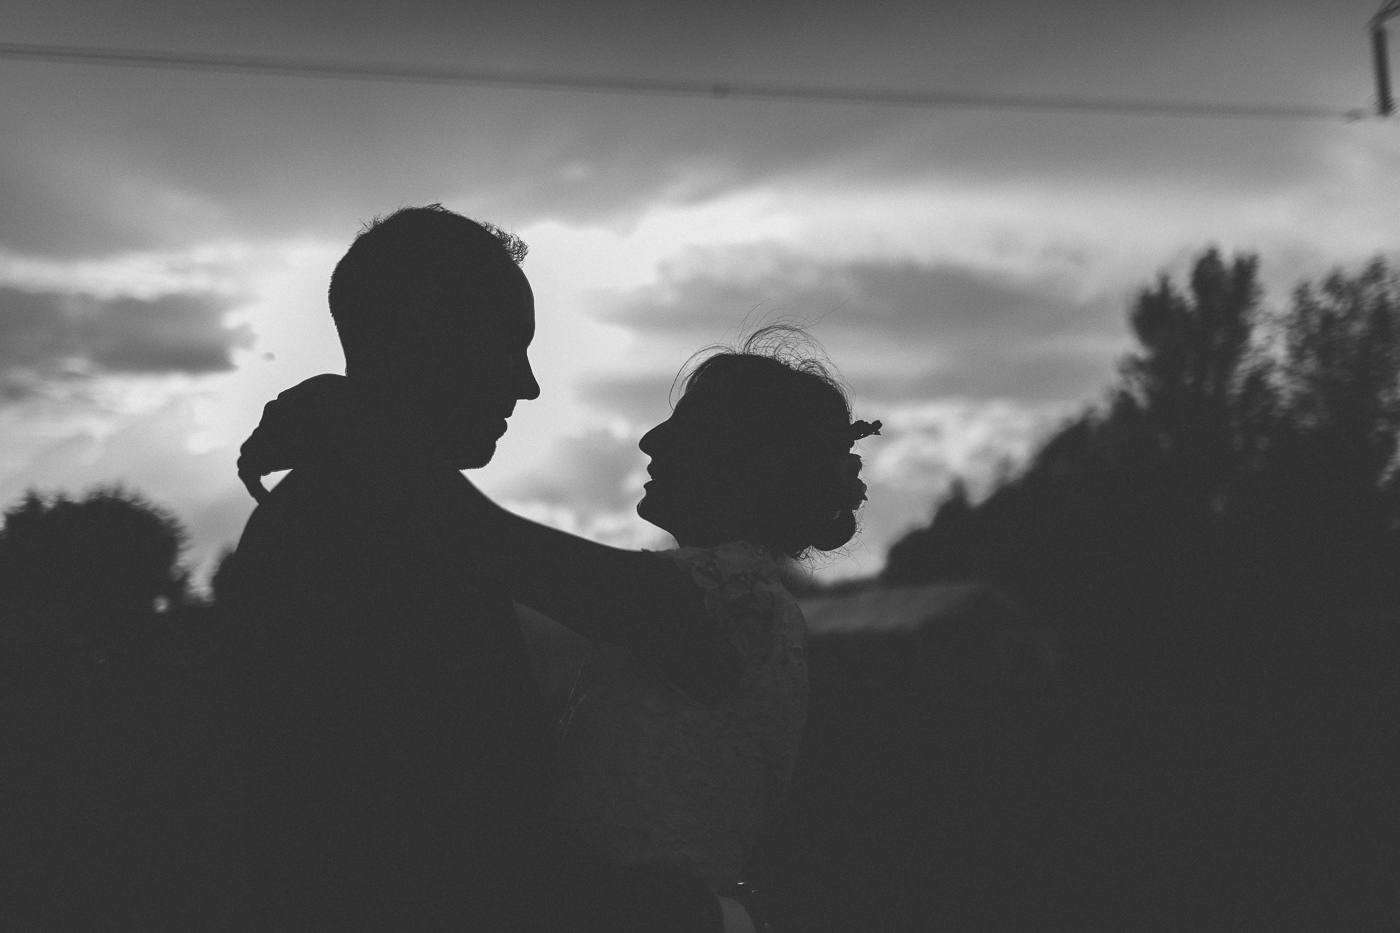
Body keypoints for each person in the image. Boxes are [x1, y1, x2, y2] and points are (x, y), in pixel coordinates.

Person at [238, 318, 881, 931]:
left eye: (690, 425)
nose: (651, 440)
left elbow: (486, 541)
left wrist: (341, 407)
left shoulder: (733, 602)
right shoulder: (693, 597)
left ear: (759, 466)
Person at [219, 205, 733, 932]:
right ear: (429, 330)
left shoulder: (385, 517)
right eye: (510, 342)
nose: (527, 385)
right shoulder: (370, 533)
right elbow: (443, 842)